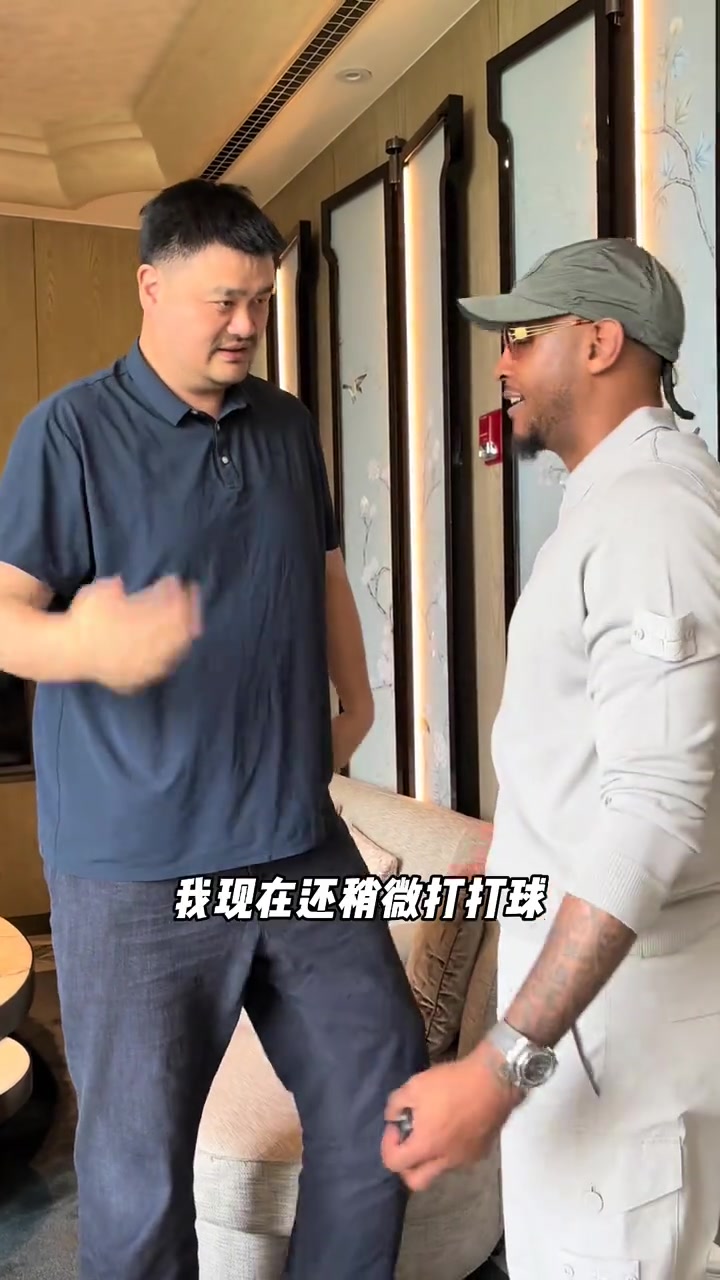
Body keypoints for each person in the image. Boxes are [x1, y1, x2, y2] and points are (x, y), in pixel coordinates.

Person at [0, 178, 428, 1280]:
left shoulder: (285, 424)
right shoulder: (70, 432)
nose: (246, 323)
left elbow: (321, 569)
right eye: (223, 300)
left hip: (297, 843)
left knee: (384, 1088)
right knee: (139, 1180)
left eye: (260, 300)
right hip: (137, 871)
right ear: (151, 287)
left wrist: (358, 699)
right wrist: (83, 643)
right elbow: (5, 615)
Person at [381, 237, 720, 1278]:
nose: (503, 362)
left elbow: (657, 808)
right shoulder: (609, 503)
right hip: (591, 1046)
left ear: (602, 342)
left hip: (624, 1048)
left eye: (524, 337)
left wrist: (499, 1062)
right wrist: (520, 844)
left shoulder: (655, 516)